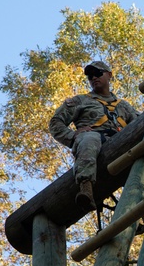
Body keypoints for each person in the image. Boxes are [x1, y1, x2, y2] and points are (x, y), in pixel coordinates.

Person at [49, 61, 139, 210]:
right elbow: (56, 122)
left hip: (120, 140)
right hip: (93, 137)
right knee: (89, 139)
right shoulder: (80, 101)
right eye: (90, 77)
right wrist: (72, 136)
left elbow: (139, 124)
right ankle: (86, 188)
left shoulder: (124, 106)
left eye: (98, 73)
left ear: (109, 75)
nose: (94, 78)